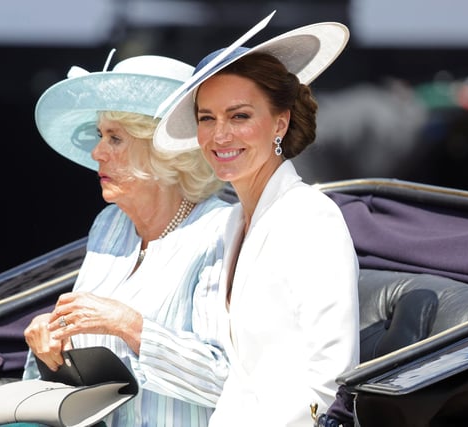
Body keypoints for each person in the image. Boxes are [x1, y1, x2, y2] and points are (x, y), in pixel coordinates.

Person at [154, 22, 360, 426]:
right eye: (207, 118)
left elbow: (331, 382)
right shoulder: (231, 222)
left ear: (279, 124)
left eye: (240, 115)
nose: (220, 135)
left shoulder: (311, 218)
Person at [23, 54, 233, 426]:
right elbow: (90, 334)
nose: (96, 152)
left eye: (115, 138)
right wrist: (51, 335)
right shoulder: (111, 225)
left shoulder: (220, 232)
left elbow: (227, 379)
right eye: (101, 136)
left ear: (164, 150)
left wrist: (131, 326)